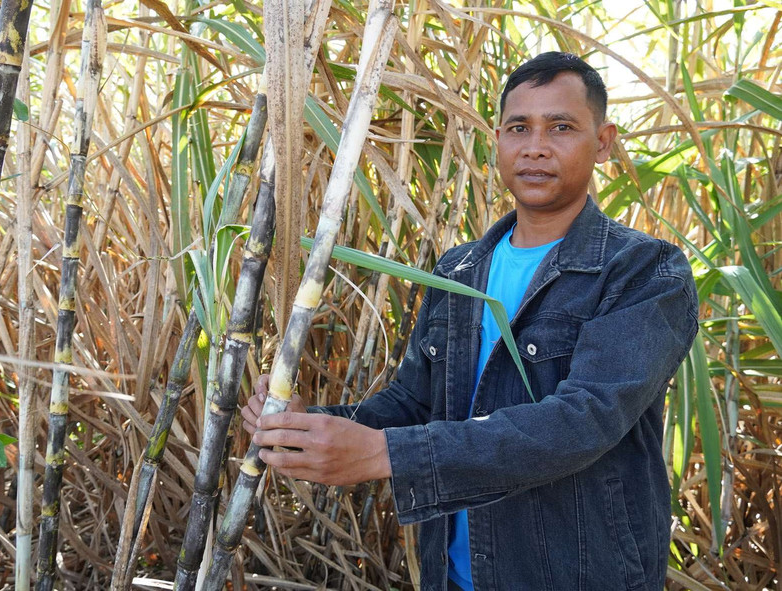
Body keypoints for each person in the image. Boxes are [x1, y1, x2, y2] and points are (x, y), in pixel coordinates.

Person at [242, 52, 699, 590]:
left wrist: (385, 455)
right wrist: (305, 426)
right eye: (518, 128)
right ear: (497, 142)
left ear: (603, 141)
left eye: (561, 127)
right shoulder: (459, 270)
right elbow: (413, 404)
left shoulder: (643, 270)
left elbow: (583, 420)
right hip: (454, 574)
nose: (535, 146)